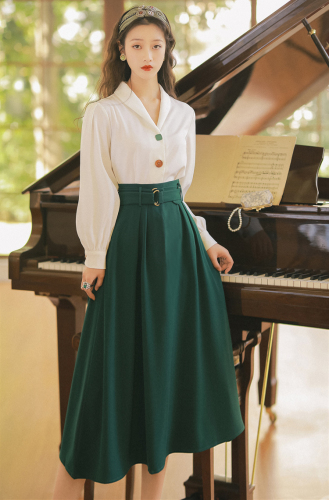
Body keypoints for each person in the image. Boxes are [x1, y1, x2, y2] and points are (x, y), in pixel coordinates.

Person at [52, 5, 245, 500]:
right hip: (126, 242)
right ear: (121, 51)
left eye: (156, 46)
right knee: (111, 369)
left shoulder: (182, 114)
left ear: (167, 53)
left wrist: (207, 240)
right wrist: (96, 254)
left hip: (178, 250)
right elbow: (98, 185)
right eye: (136, 45)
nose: (147, 54)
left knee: (164, 370)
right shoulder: (103, 114)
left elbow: (180, 192)